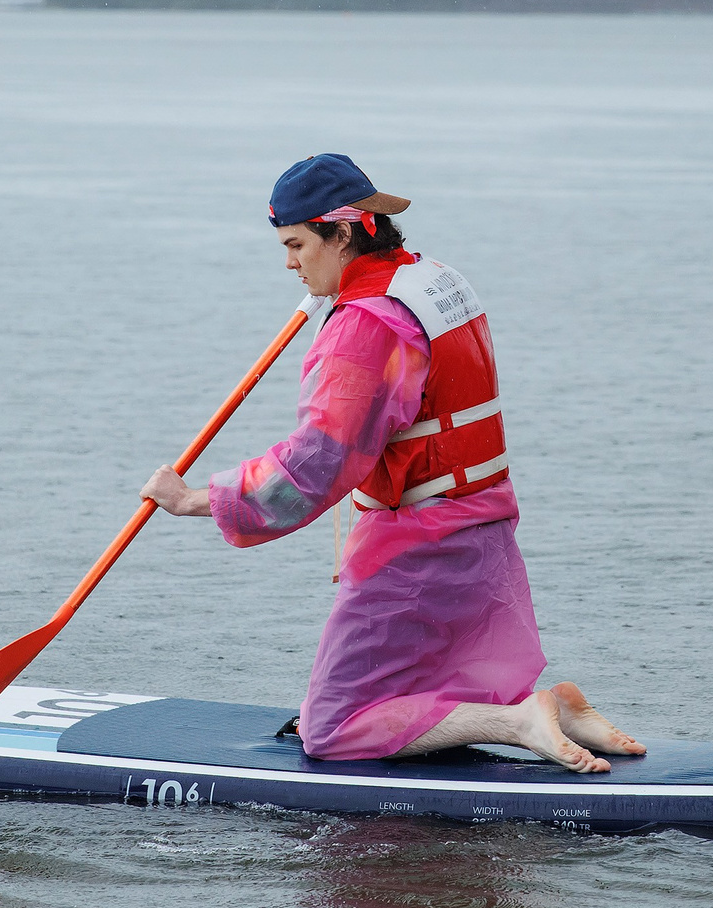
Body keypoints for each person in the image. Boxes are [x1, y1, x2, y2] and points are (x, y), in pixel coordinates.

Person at [141, 154, 643, 774]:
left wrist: (198, 498)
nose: (290, 263)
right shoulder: (431, 279)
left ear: (344, 232)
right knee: (408, 680)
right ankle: (553, 709)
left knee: (330, 727)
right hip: (481, 523)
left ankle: (516, 720)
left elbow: (321, 460)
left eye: (297, 244)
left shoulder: (367, 324)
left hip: (419, 544)